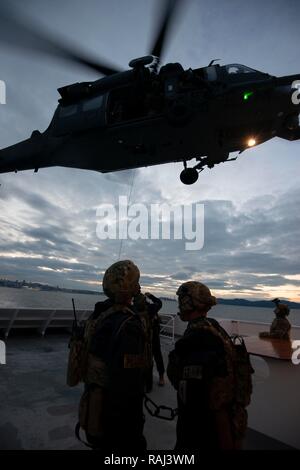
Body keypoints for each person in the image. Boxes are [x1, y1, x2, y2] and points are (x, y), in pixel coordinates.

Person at [167, 281, 247, 450]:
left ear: (189, 303)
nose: (180, 305)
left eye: (181, 300)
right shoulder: (215, 327)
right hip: (228, 422)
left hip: (201, 431)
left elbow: (205, 398)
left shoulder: (195, 340)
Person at [84, 260, 147, 452]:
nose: (139, 286)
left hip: (94, 405)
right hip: (117, 418)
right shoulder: (128, 324)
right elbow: (129, 382)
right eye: (136, 282)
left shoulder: (99, 314)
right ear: (128, 287)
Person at [133, 292, 165, 392]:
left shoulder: (135, 309)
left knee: (152, 356)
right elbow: (159, 302)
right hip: (145, 337)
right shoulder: (151, 308)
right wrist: (151, 296)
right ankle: (157, 378)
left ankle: (157, 378)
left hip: (150, 337)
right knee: (149, 358)